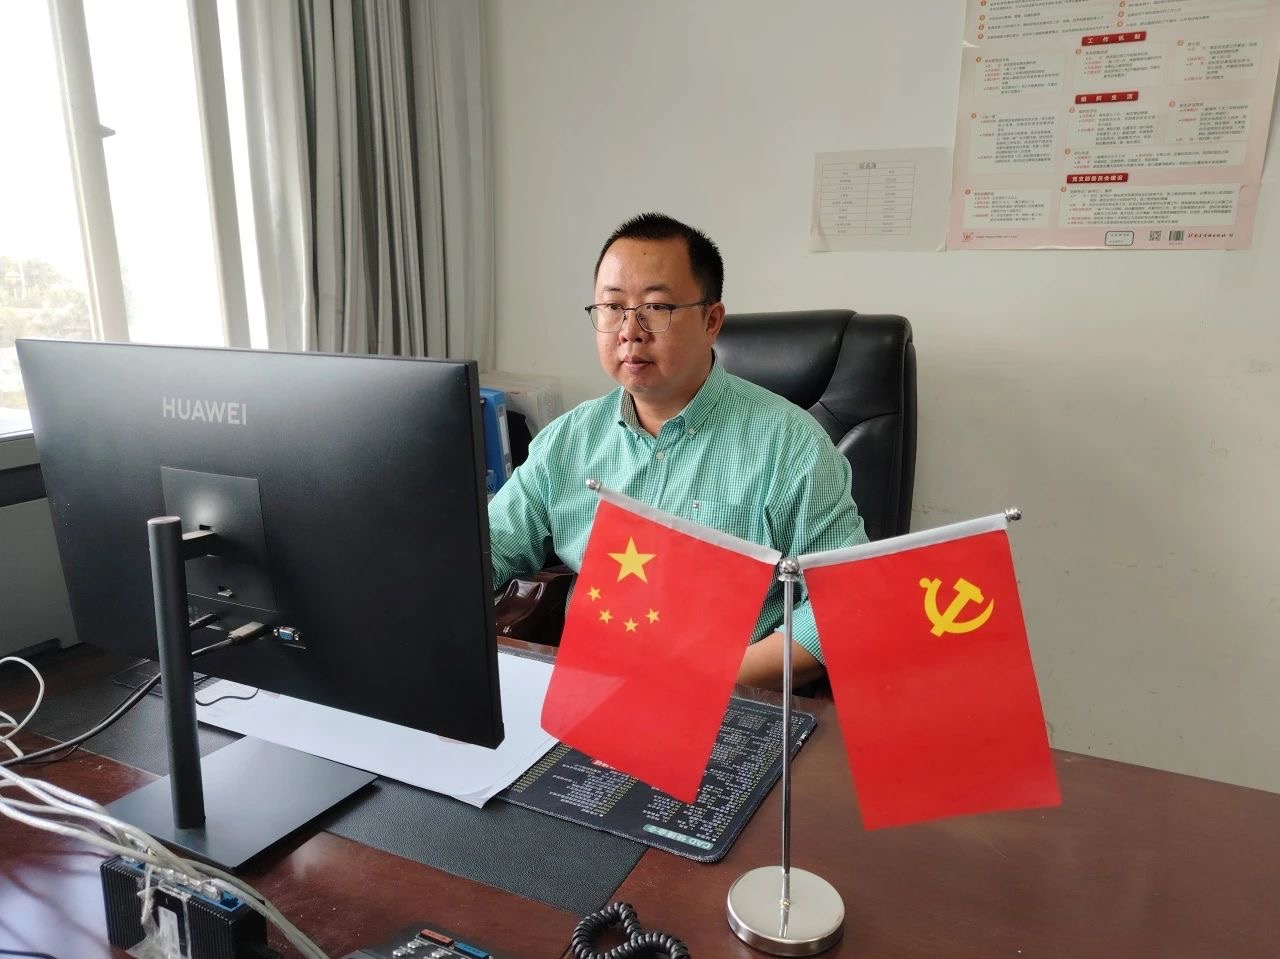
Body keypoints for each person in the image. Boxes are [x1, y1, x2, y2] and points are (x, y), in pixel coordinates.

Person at [487, 213, 867, 689]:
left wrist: (703, 683)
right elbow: (489, 551)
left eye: (657, 307)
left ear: (711, 321)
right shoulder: (568, 440)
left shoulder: (791, 446)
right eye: (612, 307)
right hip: (587, 693)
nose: (630, 330)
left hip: (728, 698)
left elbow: (848, 605)